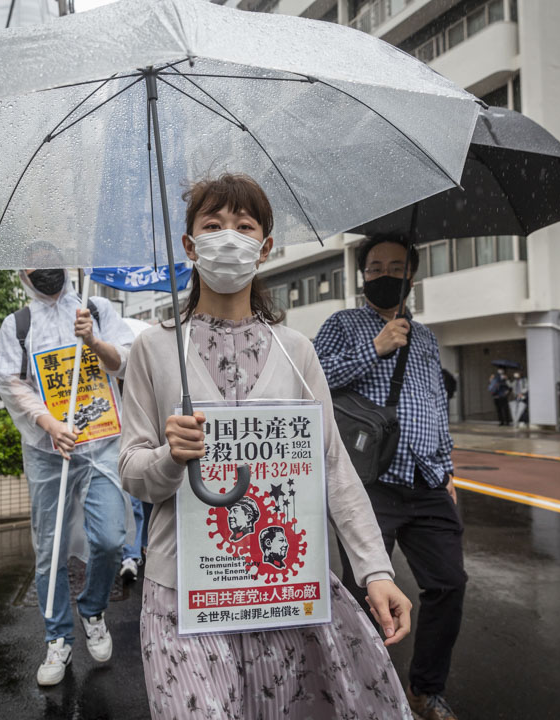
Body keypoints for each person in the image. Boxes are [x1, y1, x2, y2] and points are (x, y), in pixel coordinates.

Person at [119, 174, 416, 718]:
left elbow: (333, 468)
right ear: (189, 245)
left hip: (281, 584)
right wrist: (168, 457)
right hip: (182, 592)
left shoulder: (297, 350)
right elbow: (132, 470)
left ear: (265, 246)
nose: (228, 237)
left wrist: (375, 570)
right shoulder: (153, 349)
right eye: (212, 225)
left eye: (244, 226)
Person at [314, 234, 466, 720]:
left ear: (411, 275)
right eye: (374, 266)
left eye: (395, 266)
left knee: (448, 584)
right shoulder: (343, 324)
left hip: (428, 482)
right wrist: (375, 349)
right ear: (362, 275)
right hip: (370, 481)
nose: (384, 274)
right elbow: (309, 379)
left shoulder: (424, 336)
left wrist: (448, 465)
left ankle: (426, 689)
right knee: (363, 595)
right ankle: (360, 690)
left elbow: (434, 405)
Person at [0, 256, 136, 687]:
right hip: (46, 450)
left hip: (101, 442)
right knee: (49, 548)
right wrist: (49, 423)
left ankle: (92, 607)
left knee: (111, 538)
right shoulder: (16, 325)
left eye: (52, 258)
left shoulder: (98, 309)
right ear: (21, 271)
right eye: (33, 262)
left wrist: (93, 340)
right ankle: (58, 636)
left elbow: (126, 362)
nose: (44, 269)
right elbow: (10, 384)